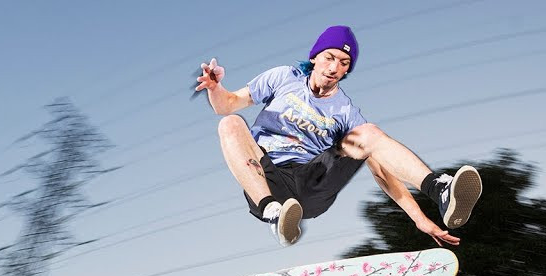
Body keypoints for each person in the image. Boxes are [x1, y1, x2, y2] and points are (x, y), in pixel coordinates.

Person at [195, 25, 482, 248]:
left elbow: (381, 169)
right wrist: (214, 88)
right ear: (315, 57)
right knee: (230, 124)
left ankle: (439, 190)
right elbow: (228, 104)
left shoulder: (345, 110)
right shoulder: (283, 78)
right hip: (267, 177)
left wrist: (419, 219)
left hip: (313, 181)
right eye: (330, 58)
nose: (334, 68)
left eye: (344, 63)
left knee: (369, 134)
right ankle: (273, 213)